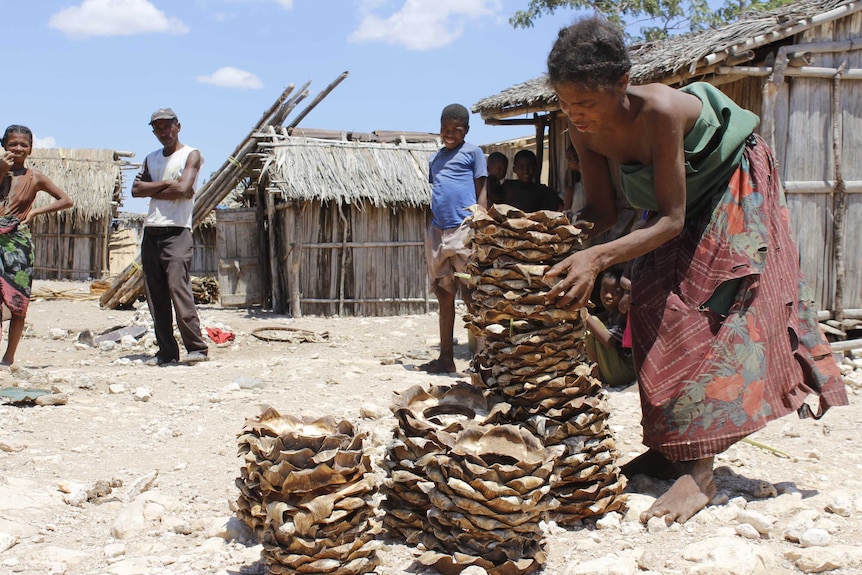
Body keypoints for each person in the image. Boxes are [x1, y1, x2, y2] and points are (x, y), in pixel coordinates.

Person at [543, 17, 848, 525]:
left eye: (588, 104)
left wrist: (597, 258)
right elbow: (598, 211)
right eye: (568, 104)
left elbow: (670, 219)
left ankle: (700, 471)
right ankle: (670, 447)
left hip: (733, 181)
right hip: (676, 208)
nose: (578, 116)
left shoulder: (658, 110)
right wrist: (547, 242)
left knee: (700, 305)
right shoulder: (581, 127)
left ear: (621, 85)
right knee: (647, 304)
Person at [132, 108, 209, 366]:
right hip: (152, 231)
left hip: (177, 231)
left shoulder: (191, 154)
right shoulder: (151, 158)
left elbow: (185, 188)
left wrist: (152, 190)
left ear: (178, 126)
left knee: (179, 289)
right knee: (156, 295)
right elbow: (135, 190)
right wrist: (167, 186)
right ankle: (166, 352)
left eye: (167, 127)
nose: (164, 133)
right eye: (158, 129)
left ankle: (196, 348)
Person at [418, 103, 487, 374]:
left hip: (464, 229)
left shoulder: (473, 153)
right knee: (443, 294)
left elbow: (482, 191)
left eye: (456, 130)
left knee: (471, 293)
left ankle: (481, 360)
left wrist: (480, 222)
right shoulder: (435, 159)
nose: (449, 134)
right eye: (445, 129)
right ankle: (446, 357)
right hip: (438, 232)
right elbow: (439, 192)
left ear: (466, 130)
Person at [0, 125, 73, 368]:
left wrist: (36, 211)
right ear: (4, 145)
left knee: (18, 300)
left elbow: (66, 200)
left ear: (31, 149)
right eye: (13, 144)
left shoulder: (35, 177)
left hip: (18, 244)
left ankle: (9, 357)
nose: (18, 149)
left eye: (23, 144)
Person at [584, 268, 636, 388]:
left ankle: (597, 375)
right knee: (591, 325)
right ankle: (596, 372)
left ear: (625, 295)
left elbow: (608, 341)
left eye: (616, 292)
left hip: (624, 372)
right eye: (604, 290)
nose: (608, 296)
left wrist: (585, 315)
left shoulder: (625, 316)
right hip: (615, 370)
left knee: (593, 323)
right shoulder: (613, 312)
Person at [493, 149, 562, 212]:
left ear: (536, 168)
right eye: (521, 167)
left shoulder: (543, 191)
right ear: (514, 169)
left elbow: (560, 207)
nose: (526, 170)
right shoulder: (507, 187)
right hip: (507, 224)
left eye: (530, 166)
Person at [562, 143, 585, 216]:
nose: (574, 160)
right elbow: (565, 216)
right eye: (570, 158)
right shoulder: (572, 190)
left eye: (576, 155)